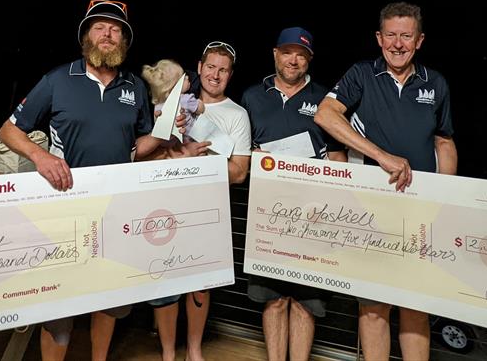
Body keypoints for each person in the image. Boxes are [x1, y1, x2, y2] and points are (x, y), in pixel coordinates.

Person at [0, 0, 173, 361]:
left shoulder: (135, 88)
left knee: (107, 302)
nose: (107, 34)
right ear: (86, 36)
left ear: (123, 39)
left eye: (115, 29)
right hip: (65, 211)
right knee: (59, 309)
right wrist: (40, 155)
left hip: (114, 212)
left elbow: (137, 147)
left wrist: (165, 134)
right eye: (99, 27)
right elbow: (8, 131)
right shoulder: (58, 80)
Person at [314, 2, 458, 361]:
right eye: (390, 35)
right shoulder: (361, 74)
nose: (398, 44)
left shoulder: (436, 83)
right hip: (371, 213)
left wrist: (446, 196)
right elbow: (325, 115)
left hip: (420, 216)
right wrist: (381, 156)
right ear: (379, 38)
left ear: (419, 40)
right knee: (374, 307)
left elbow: (444, 139)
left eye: (406, 36)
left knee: (415, 307)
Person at [240, 26, 347, 361]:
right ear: (275, 54)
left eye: (301, 54)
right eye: (287, 52)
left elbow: (338, 156)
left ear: (309, 59)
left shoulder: (326, 100)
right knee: (272, 299)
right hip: (267, 213)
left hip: (313, 216)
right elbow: (243, 152)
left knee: (306, 303)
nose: (293, 59)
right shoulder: (252, 97)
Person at [152, 41, 251, 361]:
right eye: (211, 67)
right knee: (165, 283)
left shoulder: (238, 115)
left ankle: (194, 350)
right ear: (199, 67)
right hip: (167, 205)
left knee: (201, 285)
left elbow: (238, 173)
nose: (215, 74)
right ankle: (168, 353)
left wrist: (197, 160)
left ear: (230, 74)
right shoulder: (174, 104)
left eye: (223, 69)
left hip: (209, 210)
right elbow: (153, 155)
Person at [142, 59, 205, 145]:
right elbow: (200, 109)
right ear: (174, 86)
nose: (187, 77)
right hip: (191, 140)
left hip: (170, 145)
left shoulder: (158, 105)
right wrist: (199, 101)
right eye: (183, 77)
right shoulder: (185, 99)